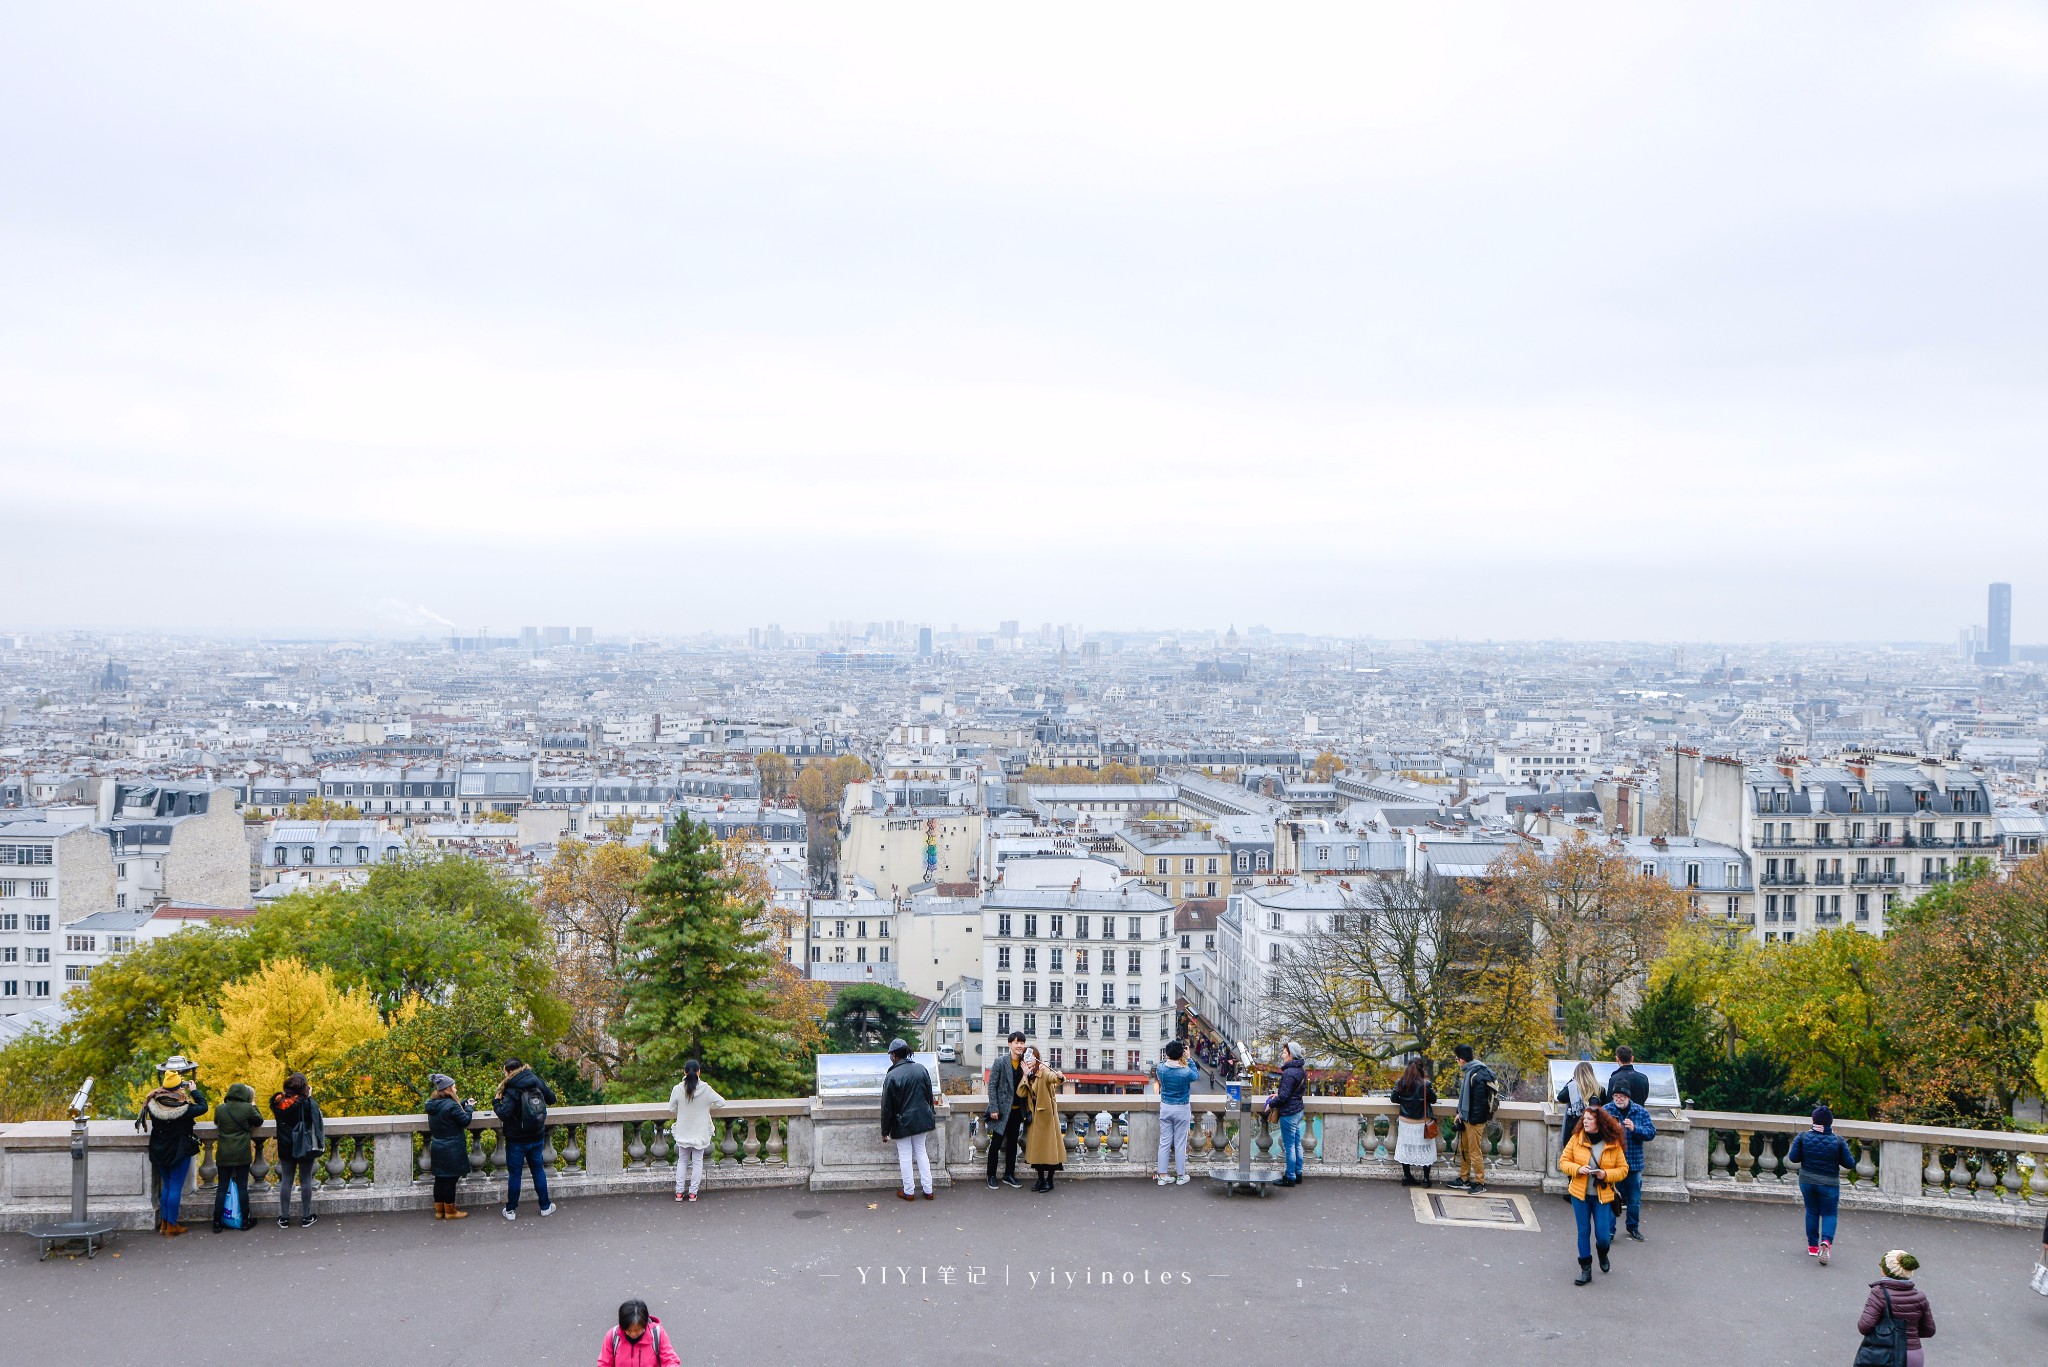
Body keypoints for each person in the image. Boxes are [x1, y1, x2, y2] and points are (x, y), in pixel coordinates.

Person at [135, 1058, 209, 1237]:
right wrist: (194, 1091)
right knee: (175, 1186)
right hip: (178, 1151)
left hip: (159, 1150)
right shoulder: (184, 1108)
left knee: (167, 1185)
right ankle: (172, 1226)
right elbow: (203, 1107)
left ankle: (165, 1224)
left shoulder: (153, 1104)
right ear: (177, 1088)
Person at [1558, 1106, 1630, 1285]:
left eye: (1590, 1119)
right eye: (1584, 1118)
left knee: (1603, 1235)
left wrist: (1606, 1174)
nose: (1585, 1122)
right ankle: (1585, 1269)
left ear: (1600, 1122)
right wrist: (1578, 1169)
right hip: (1579, 1194)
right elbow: (1563, 1162)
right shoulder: (1576, 1139)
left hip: (1602, 1195)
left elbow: (1623, 1170)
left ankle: (1602, 1252)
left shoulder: (1612, 1142)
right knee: (1583, 1231)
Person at [1787, 1105, 1856, 1263]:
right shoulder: (1838, 1140)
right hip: (1829, 1183)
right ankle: (1826, 1242)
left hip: (1807, 1181)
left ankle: (1812, 1247)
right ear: (1830, 1122)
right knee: (1829, 1213)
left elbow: (1793, 1158)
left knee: (1812, 1212)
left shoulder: (1803, 1137)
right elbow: (1850, 1163)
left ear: (1813, 1120)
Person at [493, 1057, 558, 1221]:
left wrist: (496, 1102)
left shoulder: (511, 1087)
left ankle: (511, 1210)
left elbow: (504, 1114)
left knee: (515, 1174)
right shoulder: (535, 1080)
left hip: (516, 1139)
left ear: (507, 1071)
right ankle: (545, 1206)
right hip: (536, 1135)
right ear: (522, 1067)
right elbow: (552, 1099)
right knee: (538, 1170)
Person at [879, 1038, 937, 1202]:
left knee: (905, 1156)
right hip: (922, 1118)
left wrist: (885, 1131)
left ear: (895, 1055)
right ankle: (928, 1190)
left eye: (891, 1054)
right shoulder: (921, 1068)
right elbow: (929, 1096)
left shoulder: (891, 1076)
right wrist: (930, 1114)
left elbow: (887, 1107)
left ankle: (909, 1191)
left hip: (902, 1122)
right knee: (921, 1152)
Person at [1602, 1079, 1657, 1243]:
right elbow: (1595, 1133)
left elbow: (1651, 1133)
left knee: (1634, 1200)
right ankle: (1610, 1231)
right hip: (1613, 1165)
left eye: (1621, 1096)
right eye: (1616, 1096)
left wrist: (1635, 1129)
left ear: (1628, 1097)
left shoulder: (1640, 1112)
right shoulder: (1606, 1110)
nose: (1618, 1099)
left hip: (1633, 1163)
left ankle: (1633, 1227)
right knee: (1612, 1198)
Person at [1858, 1250, 1935, 1367]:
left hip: (1886, 1355)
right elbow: (1929, 1330)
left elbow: (1864, 1326)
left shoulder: (1879, 1293)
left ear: (1885, 1270)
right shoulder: (1920, 1297)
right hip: (1913, 1355)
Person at [270, 1072, 324, 1229]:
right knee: (306, 1179)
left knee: (286, 1180)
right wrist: (309, 1097)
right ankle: (306, 1216)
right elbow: (315, 1118)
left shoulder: (278, 1102)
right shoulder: (306, 1103)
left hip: (285, 1146)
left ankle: (284, 1217)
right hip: (304, 1145)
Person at [210, 1081, 264, 1233]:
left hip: (224, 1154)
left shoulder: (220, 1109)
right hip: (241, 1153)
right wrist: (253, 1104)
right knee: (242, 1187)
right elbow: (259, 1121)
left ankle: (216, 1222)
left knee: (221, 1187)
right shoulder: (247, 1108)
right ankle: (245, 1220)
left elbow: (216, 1122)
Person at [667, 1059, 722, 1203]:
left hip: (683, 1130)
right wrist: (707, 1106)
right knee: (697, 1162)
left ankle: (679, 1193)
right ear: (699, 1072)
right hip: (700, 1132)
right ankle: (693, 1194)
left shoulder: (677, 1089)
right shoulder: (706, 1089)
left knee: (682, 1161)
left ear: (684, 1072)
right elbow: (722, 1103)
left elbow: (671, 1108)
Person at [425, 1073, 474, 1219]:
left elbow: (448, 1110)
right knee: (451, 1180)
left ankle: (439, 1211)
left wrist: (463, 1103)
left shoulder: (432, 1104)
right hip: (452, 1147)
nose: (456, 1089)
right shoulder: (451, 1105)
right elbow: (465, 1120)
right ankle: (451, 1212)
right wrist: (470, 1108)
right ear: (448, 1089)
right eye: (454, 1086)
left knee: (440, 1179)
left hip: (438, 1145)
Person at [984, 1031, 1029, 1190]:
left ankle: (1009, 1174)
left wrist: (1026, 1074)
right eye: (1017, 1042)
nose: (1020, 1046)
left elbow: (1027, 1087)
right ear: (1010, 1044)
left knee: (1012, 1145)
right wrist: (994, 1108)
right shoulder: (1000, 1062)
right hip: (1002, 1111)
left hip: (1017, 1111)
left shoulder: (1025, 1063)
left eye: (1022, 1043)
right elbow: (992, 1085)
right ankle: (991, 1175)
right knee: (995, 1144)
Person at [1018, 1046, 1067, 1192]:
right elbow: (1021, 1092)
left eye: (1031, 1057)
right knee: (1037, 1151)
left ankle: (1049, 1181)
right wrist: (1025, 1075)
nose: (1028, 1060)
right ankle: (1040, 1179)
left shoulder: (1044, 1071)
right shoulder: (1029, 1074)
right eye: (1026, 1058)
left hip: (1046, 1118)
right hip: (1034, 1118)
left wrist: (1060, 1076)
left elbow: (1055, 1079)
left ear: (1036, 1057)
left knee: (1050, 1151)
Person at [1449, 1044, 1496, 1195]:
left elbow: (1479, 1102)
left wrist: (1472, 1120)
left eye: (1456, 1059)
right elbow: (1466, 1098)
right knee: (1464, 1149)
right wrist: (1460, 1113)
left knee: (1475, 1153)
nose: (1456, 1061)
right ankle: (1464, 1178)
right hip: (1467, 1117)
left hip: (1475, 1120)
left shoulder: (1477, 1074)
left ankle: (1480, 1182)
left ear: (1462, 1060)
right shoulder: (1471, 1071)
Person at [1154, 1039, 1200, 1186]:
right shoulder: (1185, 1072)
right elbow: (1196, 1075)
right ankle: (1181, 1175)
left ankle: (1162, 1175)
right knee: (1180, 1143)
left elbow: (1163, 1064)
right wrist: (1189, 1058)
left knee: (1164, 1142)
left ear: (1167, 1054)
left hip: (1166, 1106)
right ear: (1181, 1054)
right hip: (1181, 1108)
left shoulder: (1160, 1069)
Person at [1390, 1058, 1438, 1187]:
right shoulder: (1425, 1084)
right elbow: (1433, 1100)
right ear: (1421, 1069)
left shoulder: (1400, 1082)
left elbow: (1394, 1099)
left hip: (1406, 1121)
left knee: (1406, 1147)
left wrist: (1406, 1102)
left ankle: (1407, 1176)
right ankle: (1426, 1179)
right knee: (1425, 1148)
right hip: (1422, 1121)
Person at [1266, 1041, 1308, 1187]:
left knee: (1289, 1146)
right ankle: (1298, 1173)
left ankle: (1289, 1177)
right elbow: (1291, 1092)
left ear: (1291, 1055)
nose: (1282, 1055)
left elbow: (1284, 1097)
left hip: (1289, 1113)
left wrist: (1271, 1104)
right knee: (1297, 1144)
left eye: (1284, 1052)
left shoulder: (1289, 1073)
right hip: (1298, 1110)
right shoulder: (1301, 1070)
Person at [596, 1299, 681, 1367]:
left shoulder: (657, 1334)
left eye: (637, 1330)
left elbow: (670, 1360)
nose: (633, 1334)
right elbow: (604, 1363)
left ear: (645, 1324)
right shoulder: (612, 1336)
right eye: (628, 1330)